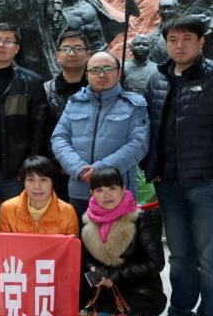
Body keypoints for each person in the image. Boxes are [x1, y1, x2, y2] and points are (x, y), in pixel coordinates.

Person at [143, 16, 213, 316]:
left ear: (201, 42)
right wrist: (154, 168)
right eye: (173, 39)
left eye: (187, 38)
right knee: (180, 256)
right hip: (169, 183)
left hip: (206, 182)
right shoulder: (158, 79)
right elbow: (152, 128)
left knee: (209, 259)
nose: (180, 45)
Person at [51, 51, 150, 220]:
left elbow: (139, 144)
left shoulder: (134, 104)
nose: (102, 74)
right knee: (80, 236)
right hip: (80, 190)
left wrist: (99, 170)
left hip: (117, 191)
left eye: (108, 69)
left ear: (119, 73)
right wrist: (77, 168)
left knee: (119, 237)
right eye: (95, 70)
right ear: (87, 74)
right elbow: (59, 138)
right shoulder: (75, 102)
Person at [0, 23, 48, 200]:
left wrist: (29, 167)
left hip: (13, 172)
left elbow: (39, 130)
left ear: (17, 48)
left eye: (8, 41)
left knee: (13, 216)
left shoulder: (31, 82)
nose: (1, 45)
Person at [79, 167, 166, 316]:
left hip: (141, 293)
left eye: (112, 188)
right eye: (99, 190)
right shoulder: (88, 222)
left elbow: (156, 263)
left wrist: (114, 276)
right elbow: (86, 259)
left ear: (123, 189)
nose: (106, 195)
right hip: (103, 293)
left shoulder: (140, 218)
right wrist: (94, 270)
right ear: (92, 193)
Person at [0, 156, 79, 236]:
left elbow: (71, 245)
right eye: (31, 180)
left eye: (43, 180)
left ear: (52, 182)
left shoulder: (68, 212)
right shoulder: (7, 209)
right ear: (23, 182)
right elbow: (3, 244)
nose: (37, 186)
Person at [45, 29, 89, 129]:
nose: (72, 53)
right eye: (66, 49)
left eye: (78, 49)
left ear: (88, 55)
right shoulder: (46, 91)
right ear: (57, 56)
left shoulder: (98, 87)